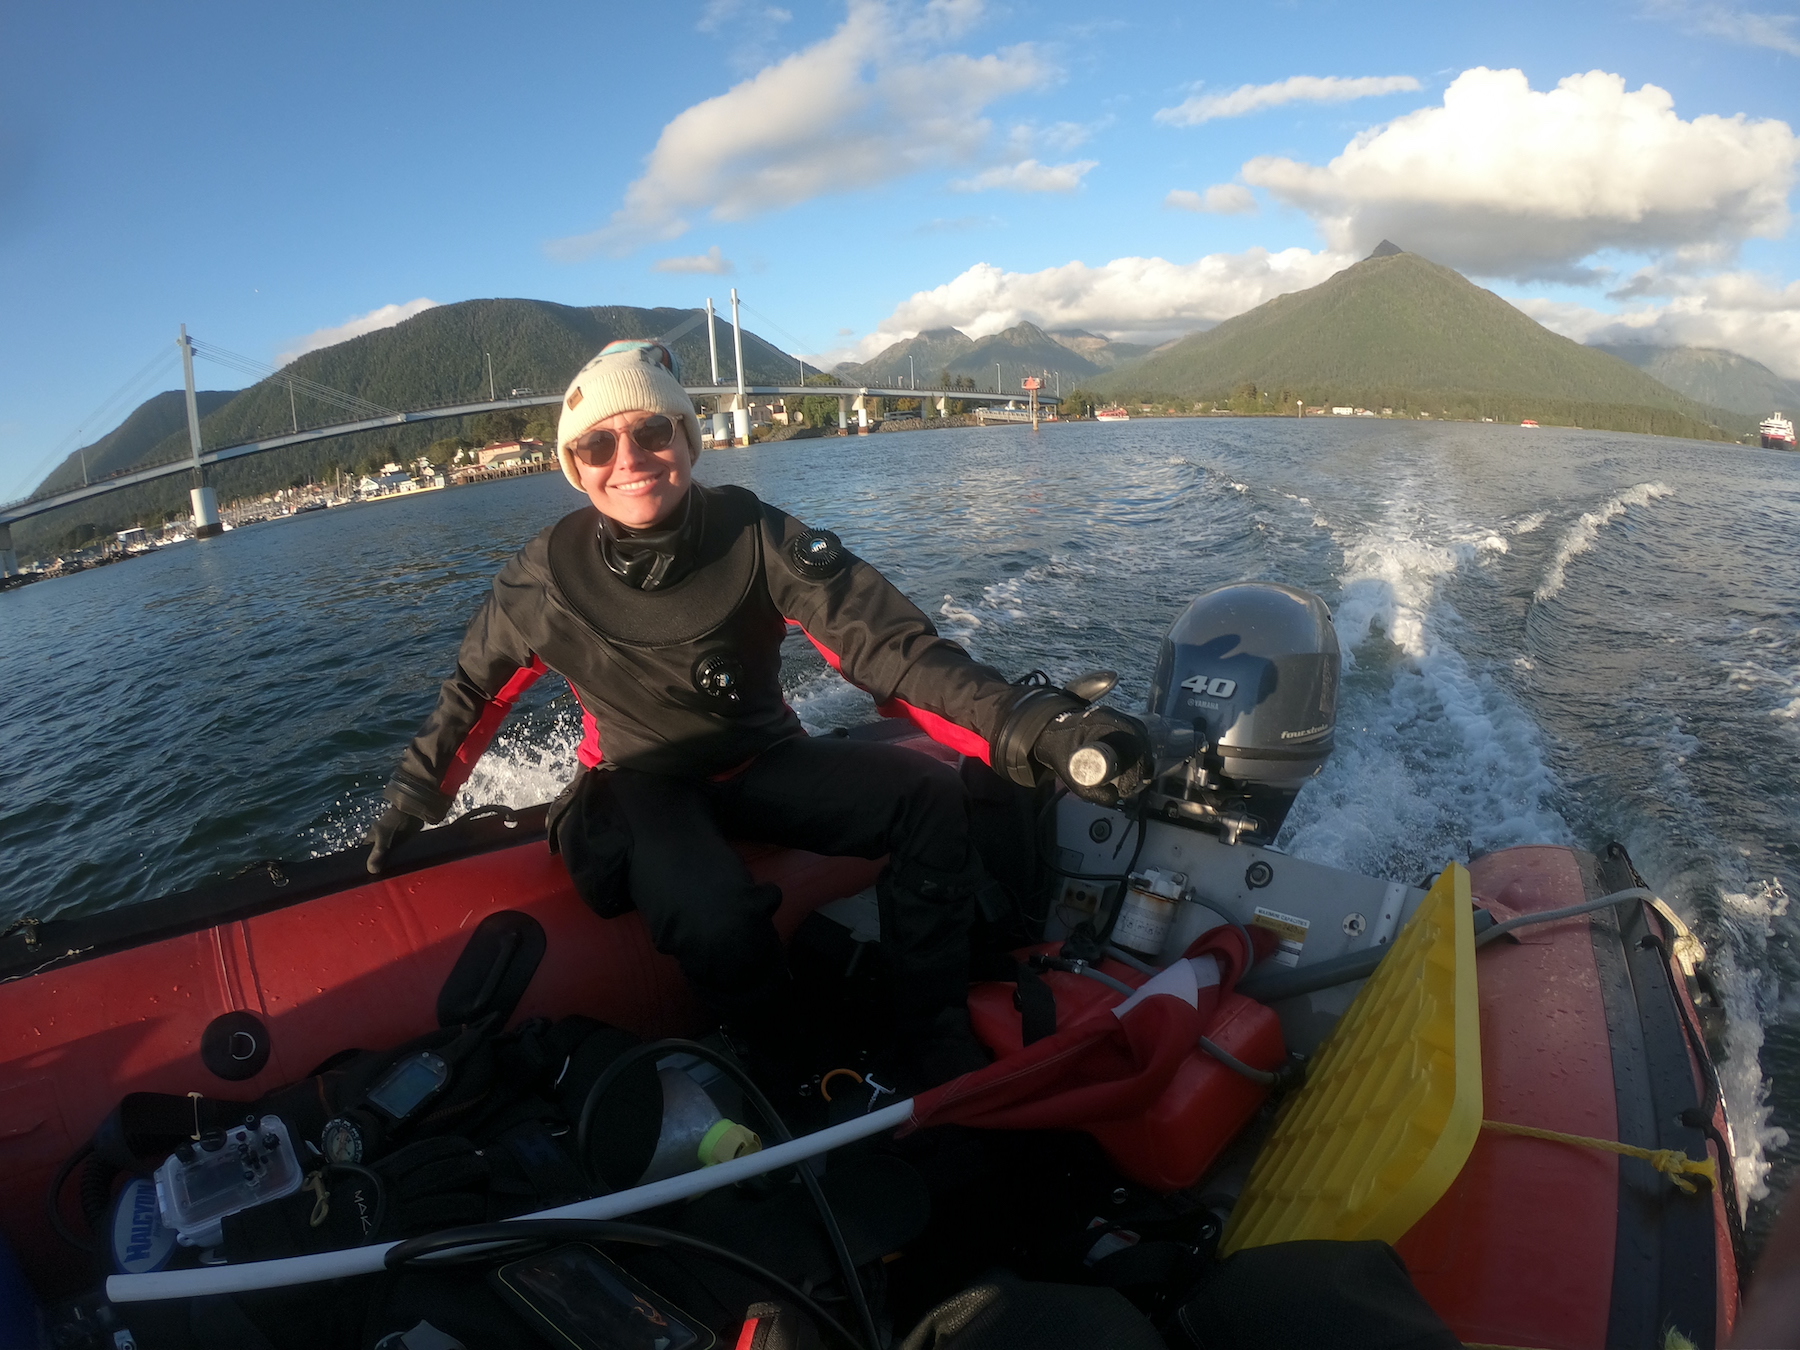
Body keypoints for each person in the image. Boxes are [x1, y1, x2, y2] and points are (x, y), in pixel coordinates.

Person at [364, 340, 1148, 1092]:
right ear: (574, 467)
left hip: (763, 760)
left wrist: (1028, 723)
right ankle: (787, 1064)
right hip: (641, 785)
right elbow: (475, 692)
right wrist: (413, 802)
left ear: (688, 437)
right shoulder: (542, 581)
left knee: (932, 799)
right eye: (597, 446)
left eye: (648, 431)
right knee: (715, 917)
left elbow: (890, 651)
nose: (628, 460)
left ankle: (930, 1030)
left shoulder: (759, 536)